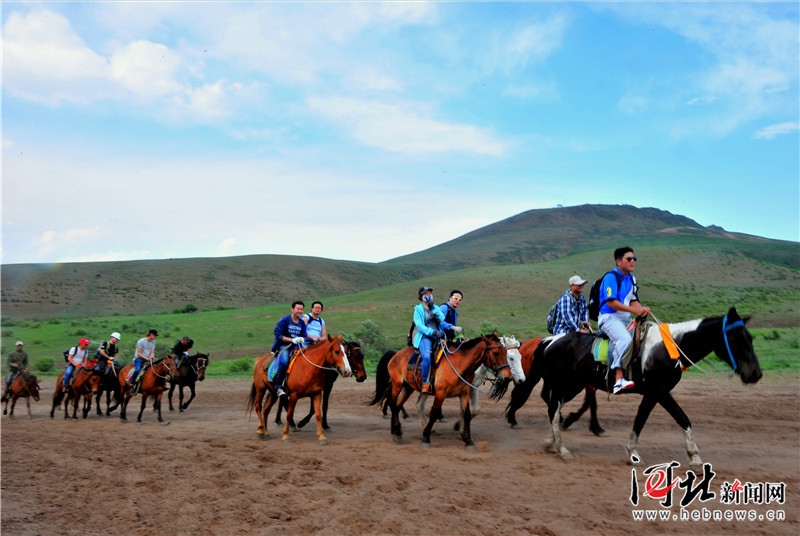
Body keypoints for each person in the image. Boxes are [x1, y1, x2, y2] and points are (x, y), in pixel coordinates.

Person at [598, 247, 650, 394]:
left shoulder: (632, 279)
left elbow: (633, 301)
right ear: (618, 261)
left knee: (645, 336)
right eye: (629, 259)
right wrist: (635, 311)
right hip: (609, 317)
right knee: (624, 339)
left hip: (625, 319)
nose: (633, 261)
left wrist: (642, 309)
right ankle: (618, 380)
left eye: (634, 259)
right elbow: (611, 303)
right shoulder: (611, 277)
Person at [412, 287, 454, 394]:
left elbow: (442, 320)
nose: (428, 294)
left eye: (430, 293)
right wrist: (433, 332)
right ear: (421, 297)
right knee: (426, 356)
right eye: (425, 293)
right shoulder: (418, 310)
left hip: (439, 336)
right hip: (425, 337)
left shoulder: (435, 307)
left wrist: (433, 308)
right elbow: (420, 326)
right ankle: (425, 383)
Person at [271, 301, 308, 396]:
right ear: (292, 309)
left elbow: (304, 335)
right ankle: (278, 386)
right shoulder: (284, 320)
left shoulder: (302, 323)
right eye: (298, 309)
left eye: (301, 309)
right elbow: (278, 334)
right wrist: (291, 340)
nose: (300, 311)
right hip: (284, 346)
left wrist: (301, 339)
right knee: (284, 361)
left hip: (297, 346)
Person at [127, 329, 158, 393]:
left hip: (148, 359)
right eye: (155, 335)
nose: (155, 337)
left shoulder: (153, 342)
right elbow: (138, 353)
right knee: (138, 370)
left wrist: (152, 356)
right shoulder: (141, 341)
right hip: (139, 359)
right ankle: (132, 383)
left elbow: (152, 351)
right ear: (151, 334)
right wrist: (147, 358)